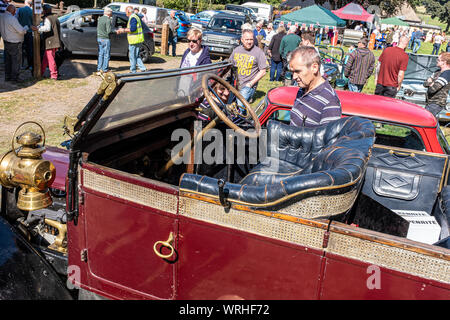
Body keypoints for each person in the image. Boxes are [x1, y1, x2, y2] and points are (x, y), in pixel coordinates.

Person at [289, 46, 342, 128]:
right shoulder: (302, 89)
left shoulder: (330, 102)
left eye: (297, 71)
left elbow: (327, 139)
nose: (294, 77)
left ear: (314, 67)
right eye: (292, 72)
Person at [229, 29, 267, 106]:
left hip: (247, 86)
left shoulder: (258, 52)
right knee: (231, 106)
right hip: (235, 84)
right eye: (247, 39)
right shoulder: (237, 50)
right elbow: (230, 65)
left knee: (240, 107)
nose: (249, 42)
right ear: (242, 40)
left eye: (251, 39)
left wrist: (250, 84)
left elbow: (263, 71)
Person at [0, 4, 28, 82]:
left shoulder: (1, 16)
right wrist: (26, 27)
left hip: (6, 40)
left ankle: (8, 76)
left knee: (8, 61)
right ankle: (15, 77)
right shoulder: (12, 18)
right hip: (14, 42)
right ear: (13, 11)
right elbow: (21, 31)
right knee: (16, 61)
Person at [116, 6, 147, 73]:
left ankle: (133, 70)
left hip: (134, 40)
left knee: (132, 56)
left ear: (128, 11)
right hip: (138, 39)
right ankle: (143, 68)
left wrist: (123, 30)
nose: (125, 13)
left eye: (126, 11)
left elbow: (133, 29)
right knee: (136, 55)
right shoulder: (136, 16)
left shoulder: (132, 18)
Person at [423, 52, 450, 117]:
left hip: (436, 103)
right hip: (429, 102)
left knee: (425, 119)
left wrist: (431, 82)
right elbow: (425, 83)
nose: (436, 61)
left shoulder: (447, 74)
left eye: (438, 60)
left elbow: (433, 89)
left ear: (444, 62)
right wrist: (431, 83)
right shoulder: (437, 71)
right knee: (432, 122)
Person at [16, 0, 33, 71]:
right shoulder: (32, 11)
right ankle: (30, 65)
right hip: (29, 31)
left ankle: (21, 64)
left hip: (21, 31)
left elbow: (16, 19)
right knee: (30, 49)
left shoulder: (19, 10)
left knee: (21, 49)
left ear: (25, 3)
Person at [96, 7, 113, 75]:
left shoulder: (100, 19)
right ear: (109, 13)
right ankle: (105, 69)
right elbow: (109, 31)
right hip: (105, 38)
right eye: (111, 13)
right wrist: (115, 31)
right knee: (106, 55)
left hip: (99, 37)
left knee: (101, 54)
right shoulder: (108, 20)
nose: (111, 14)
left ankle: (99, 68)